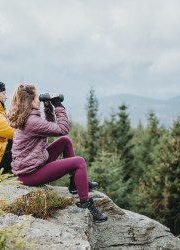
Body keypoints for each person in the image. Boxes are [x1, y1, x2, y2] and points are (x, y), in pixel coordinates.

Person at [7, 84, 107, 222]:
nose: (39, 99)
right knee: (79, 162)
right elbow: (63, 128)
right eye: (38, 97)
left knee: (65, 142)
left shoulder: (27, 117)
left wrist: (48, 108)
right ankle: (86, 205)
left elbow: (50, 128)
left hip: (31, 164)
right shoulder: (32, 121)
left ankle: (74, 184)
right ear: (30, 101)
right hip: (30, 174)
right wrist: (58, 105)